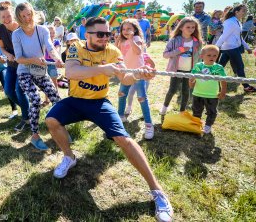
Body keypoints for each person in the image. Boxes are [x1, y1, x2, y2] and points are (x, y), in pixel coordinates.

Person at [45, 17, 173, 222]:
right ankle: (69, 157)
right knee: (51, 120)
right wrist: (103, 70)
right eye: (100, 34)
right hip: (75, 100)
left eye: (108, 34)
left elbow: (125, 78)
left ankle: (157, 191)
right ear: (87, 35)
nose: (106, 37)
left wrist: (139, 75)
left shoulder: (113, 51)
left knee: (124, 139)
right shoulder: (76, 47)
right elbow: (71, 72)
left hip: (99, 103)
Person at [12, 2, 64, 151]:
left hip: (40, 71)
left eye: (29, 14)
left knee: (56, 98)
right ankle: (35, 135)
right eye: (23, 16)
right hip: (24, 72)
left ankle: (59, 129)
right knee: (35, 100)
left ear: (33, 13)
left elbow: (50, 46)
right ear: (19, 18)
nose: (27, 18)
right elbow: (19, 58)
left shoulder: (42, 30)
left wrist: (57, 59)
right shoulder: (17, 34)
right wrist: (33, 60)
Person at [117, 19, 154, 139]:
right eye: (124, 29)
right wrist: (117, 40)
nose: (126, 31)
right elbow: (117, 54)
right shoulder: (122, 41)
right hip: (126, 73)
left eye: (129, 29)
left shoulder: (137, 39)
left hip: (138, 73)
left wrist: (131, 39)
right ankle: (121, 116)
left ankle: (149, 125)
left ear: (135, 30)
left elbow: (138, 52)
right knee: (122, 94)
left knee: (142, 98)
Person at [0, 1, 30, 131]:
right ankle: (27, 109)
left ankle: (26, 118)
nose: (6, 19)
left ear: (14, 15)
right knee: (8, 91)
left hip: (24, 64)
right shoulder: (0, 29)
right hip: (11, 64)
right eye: (3, 17)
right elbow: (2, 48)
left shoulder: (21, 26)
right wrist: (7, 55)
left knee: (20, 91)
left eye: (8, 16)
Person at [160, 17, 203, 115]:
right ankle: (164, 108)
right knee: (172, 90)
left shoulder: (197, 42)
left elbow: (200, 57)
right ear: (181, 28)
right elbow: (165, 55)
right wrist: (179, 50)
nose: (191, 29)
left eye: (193, 27)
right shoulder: (174, 40)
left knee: (186, 91)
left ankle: (182, 111)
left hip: (190, 71)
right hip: (176, 70)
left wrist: (197, 70)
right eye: (188, 27)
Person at [216, 4, 256, 92]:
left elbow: (239, 37)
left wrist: (247, 47)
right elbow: (224, 36)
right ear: (236, 12)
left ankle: (209, 80)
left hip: (230, 48)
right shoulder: (231, 22)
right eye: (243, 11)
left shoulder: (237, 21)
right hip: (231, 48)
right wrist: (215, 47)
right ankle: (246, 86)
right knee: (240, 66)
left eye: (246, 11)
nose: (245, 13)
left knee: (220, 66)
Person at [189, 45, 226, 134]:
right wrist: (191, 83)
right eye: (209, 55)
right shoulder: (198, 66)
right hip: (198, 94)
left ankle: (208, 126)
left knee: (212, 111)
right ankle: (196, 124)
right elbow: (191, 80)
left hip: (212, 95)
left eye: (215, 55)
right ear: (202, 56)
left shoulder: (219, 68)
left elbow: (224, 81)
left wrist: (223, 91)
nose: (212, 57)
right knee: (196, 110)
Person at [42, 24, 62, 107]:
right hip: (45, 64)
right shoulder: (44, 42)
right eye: (50, 33)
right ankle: (46, 100)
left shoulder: (56, 42)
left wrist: (53, 48)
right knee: (46, 82)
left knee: (54, 82)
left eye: (53, 32)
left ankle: (57, 97)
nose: (52, 34)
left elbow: (56, 50)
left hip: (53, 64)